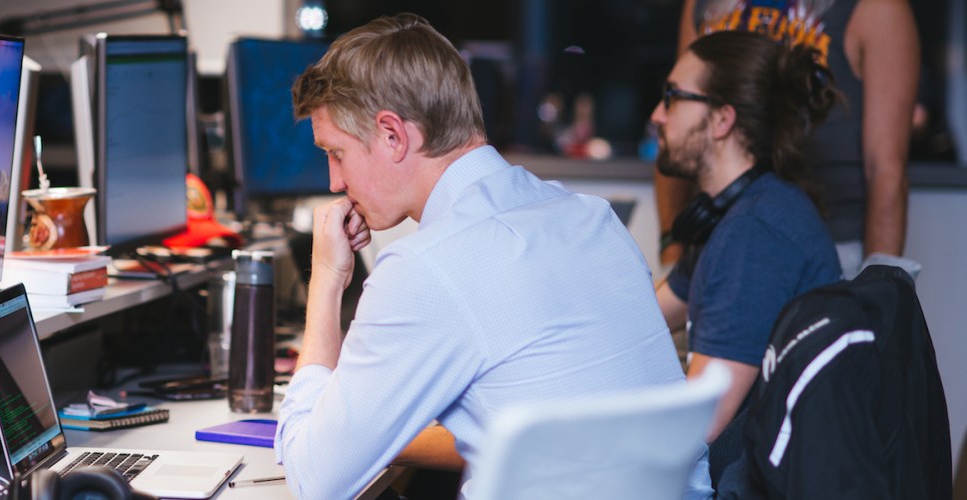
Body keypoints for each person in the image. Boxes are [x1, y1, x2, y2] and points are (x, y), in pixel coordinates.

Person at [275, 13, 699, 498]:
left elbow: (314, 479)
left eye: (336, 153)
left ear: (392, 135)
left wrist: (327, 277)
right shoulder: (591, 217)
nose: (334, 182)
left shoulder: (427, 266)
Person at [651, 30, 843, 486]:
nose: (658, 115)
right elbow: (646, 316)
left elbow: (699, 423)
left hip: (743, 481)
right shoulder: (729, 215)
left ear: (721, 120)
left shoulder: (756, 235)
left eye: (672, 98)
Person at [657, 0, 920, 280]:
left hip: (829, 247)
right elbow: (678, 114)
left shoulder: (876, 7)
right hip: (716, 241)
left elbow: (886, 168)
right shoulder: (704, 5)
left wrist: (877, 294)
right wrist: (671, 250)